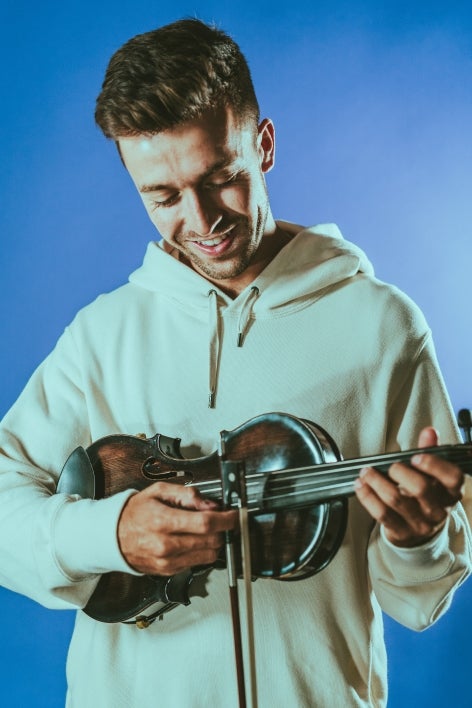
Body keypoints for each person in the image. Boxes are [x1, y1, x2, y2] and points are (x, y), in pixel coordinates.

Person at [0, 17, 470, 708]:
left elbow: (419, 603)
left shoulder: (382, 326)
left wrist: (419, 539)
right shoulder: (101, 336)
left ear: (265, 144)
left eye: (221, 178)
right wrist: (111, 533)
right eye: (161, 197)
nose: (201, 220)